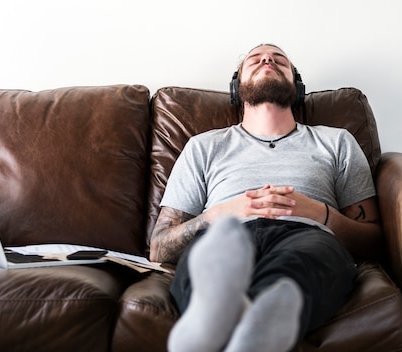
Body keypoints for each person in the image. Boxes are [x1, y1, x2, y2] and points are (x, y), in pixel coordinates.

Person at [150, 43, 382, 352]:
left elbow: (373, 241)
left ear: (296, 87)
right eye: (255, 60)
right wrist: (215, 216)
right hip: (225, 237)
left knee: (297, 265)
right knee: (211, 263)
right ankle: (237, 327)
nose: (267, 61)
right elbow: (159, 247)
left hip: (307, 235)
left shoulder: (336, 141)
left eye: (279, 60)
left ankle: (226, 333)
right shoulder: (203, 147)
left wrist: (319, 213)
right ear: (238, 87)